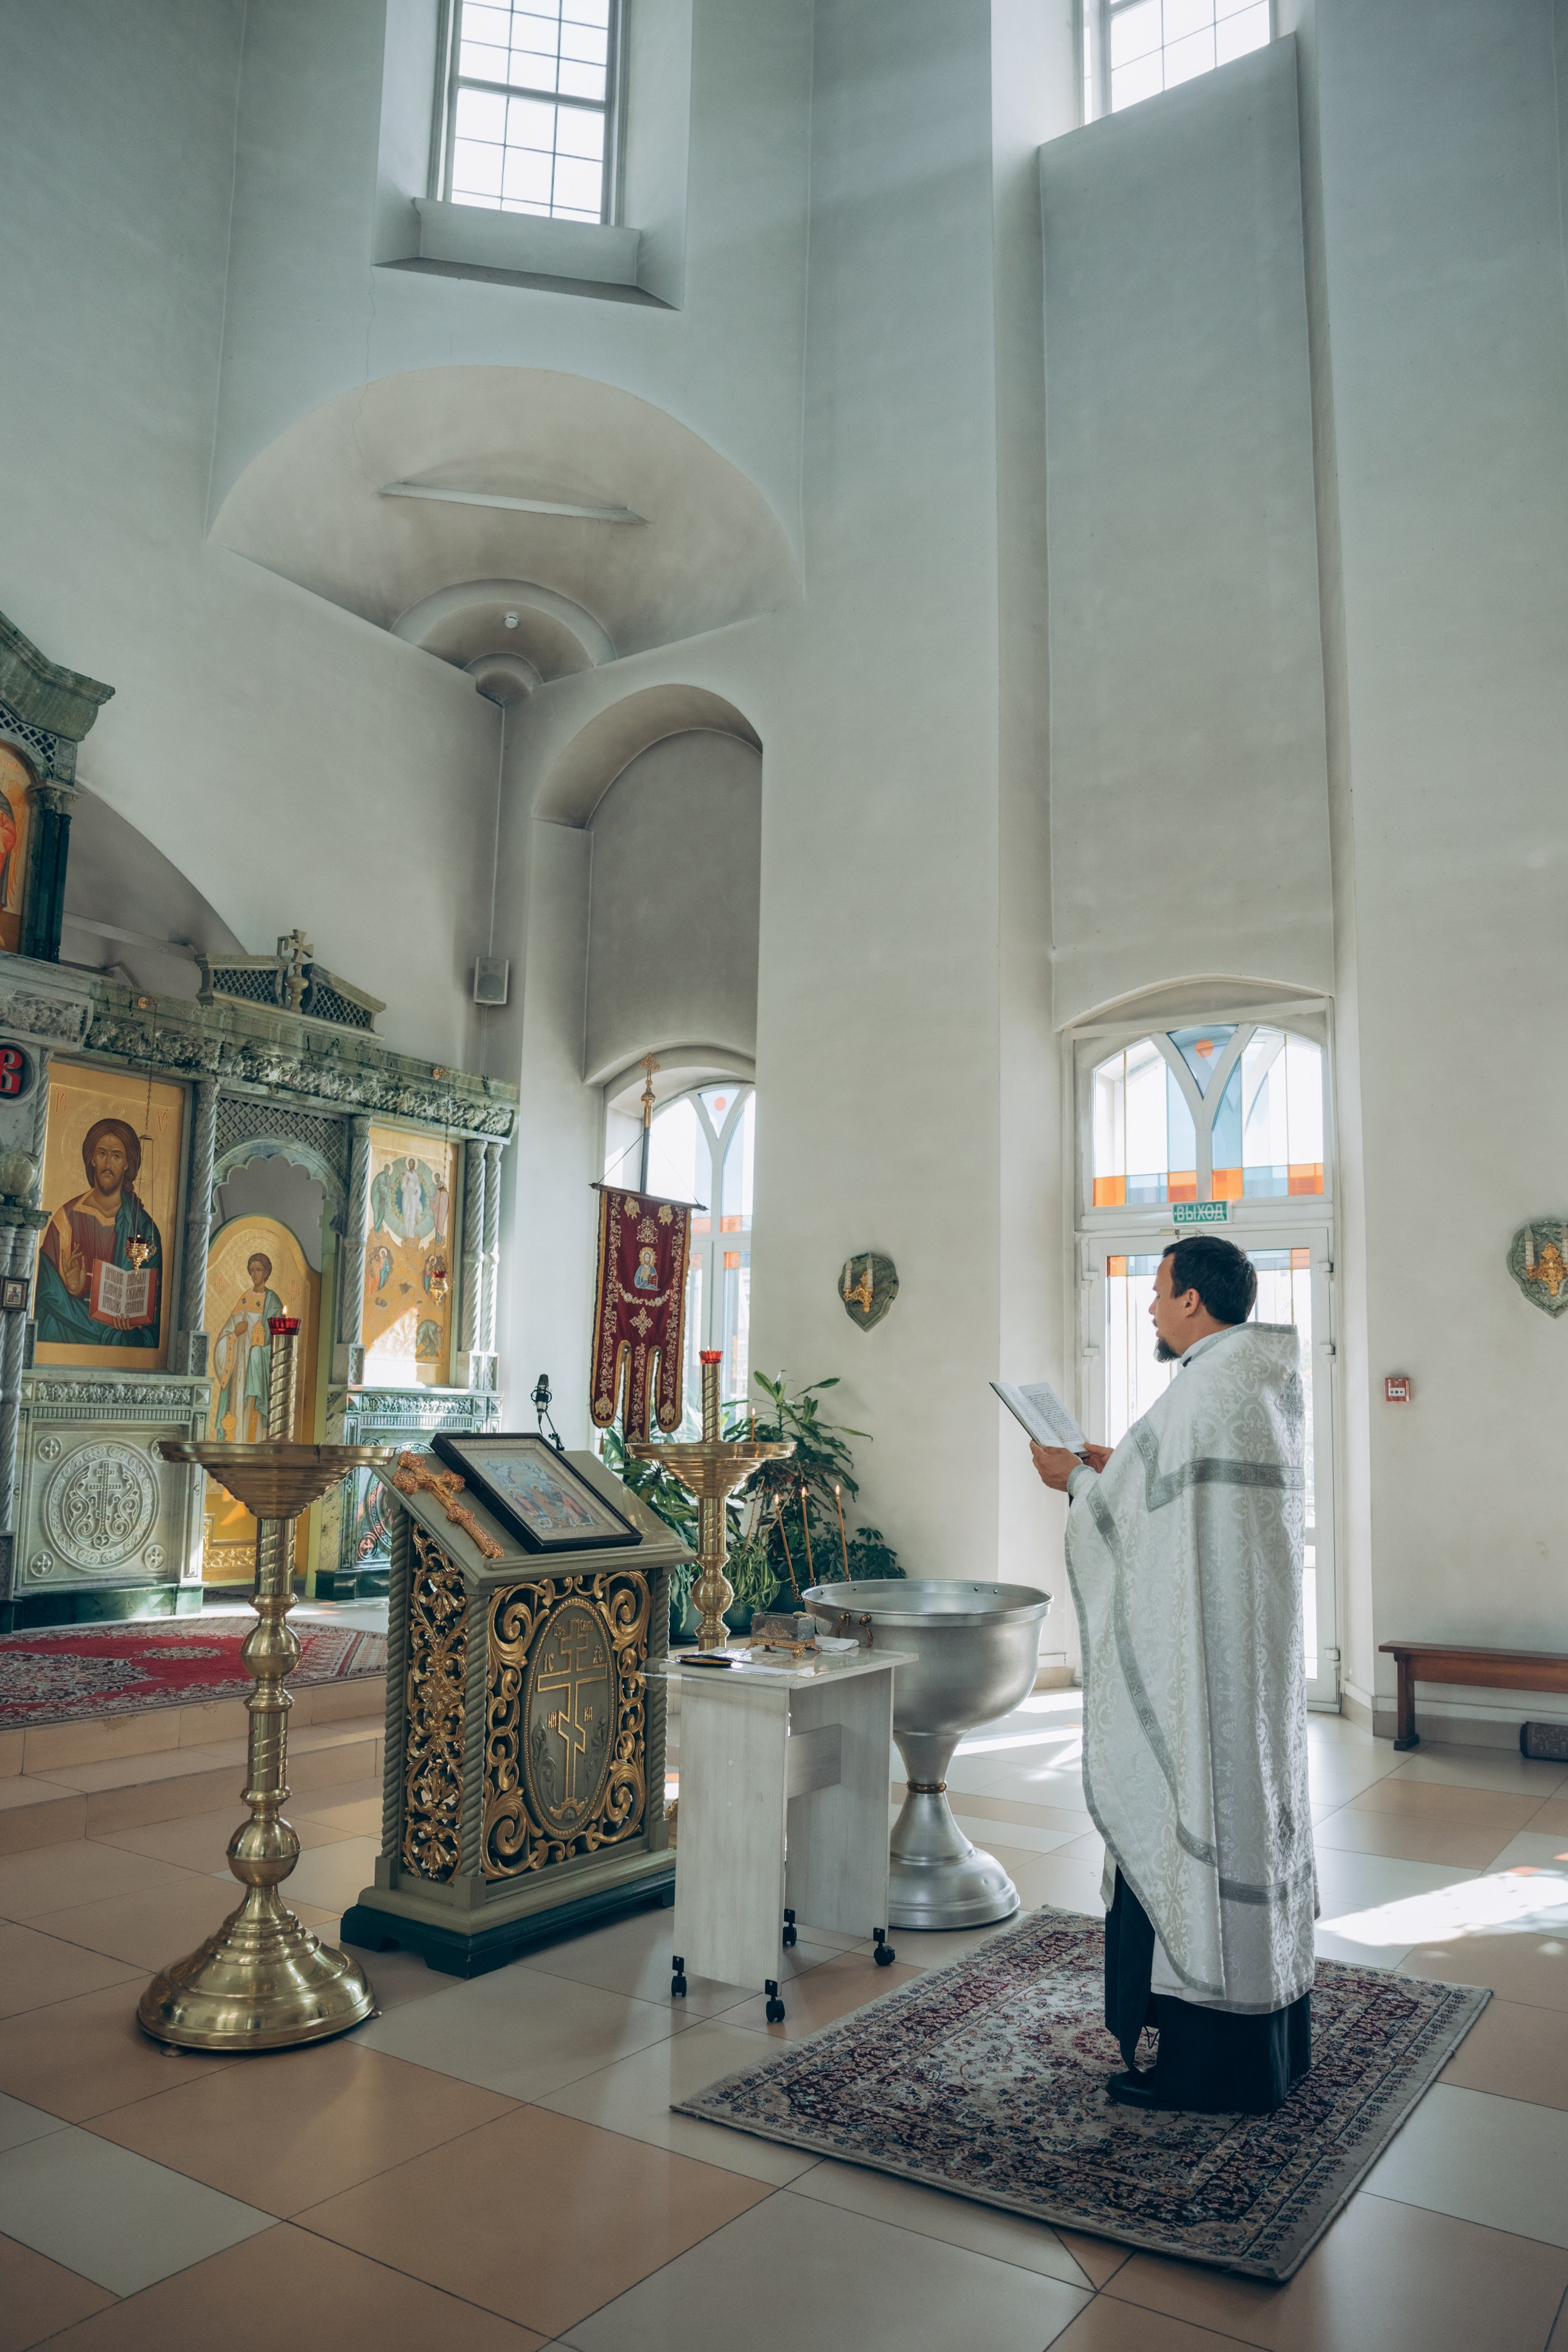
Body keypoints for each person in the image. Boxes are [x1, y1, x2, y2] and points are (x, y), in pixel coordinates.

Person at [1031, 1234, 1314, 2115]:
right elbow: (1189, 1507)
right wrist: (1118, 1469)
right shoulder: (1259, 1380)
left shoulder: (1199, 1391)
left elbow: (1138, 1534)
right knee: (1253, 1819)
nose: (1151, 1309)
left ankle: (1208, 2071)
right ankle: (1275, 2043)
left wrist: (1073, 1479)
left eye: (1157, 1293)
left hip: (1205, 1673)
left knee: (1197, 1811)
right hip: (1252, 1669)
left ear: (1194, 1300)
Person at [36, 1118, 163, 1349]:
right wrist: (71, 1289)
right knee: (51, 1322)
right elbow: (46, 1294)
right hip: (72, 1326)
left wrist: (132, 1321)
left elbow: (153, 1304)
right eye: (102, 1153)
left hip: (120, 1332)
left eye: (116, 1155)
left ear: (127, 1164)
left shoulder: (143, 1228)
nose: (108, 1163)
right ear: (92, 1159)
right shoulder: (67, 1218)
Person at [212, 1253, 284, 1442]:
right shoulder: (244, 1299)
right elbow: (225, 1335)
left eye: (258, 1270)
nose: (255, 1275)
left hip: (260, 1365)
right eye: (252, 1271)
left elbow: (280, 1342)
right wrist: (235, 1334)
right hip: (241, 1366)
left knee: (255, 1413)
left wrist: (259, 1353)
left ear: (267, 1272)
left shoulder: (273, 1302)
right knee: (238, 1405)